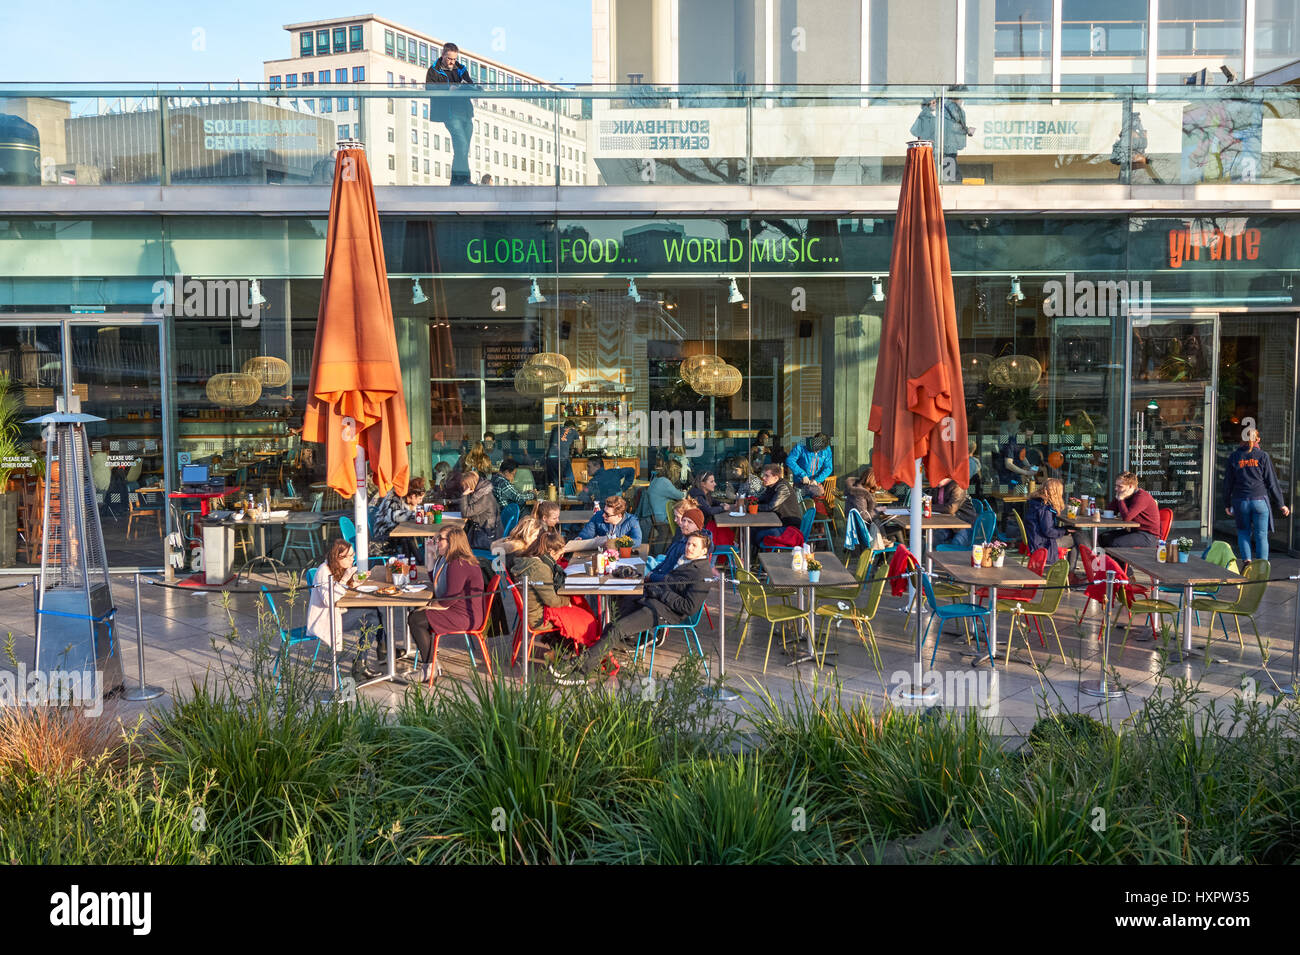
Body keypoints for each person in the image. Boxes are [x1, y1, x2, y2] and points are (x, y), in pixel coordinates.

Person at [555, 531, 713, 683]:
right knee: (613, 624)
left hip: (664, 611)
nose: (689, 547)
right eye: (688, 543)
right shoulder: (686, 560)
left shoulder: (702, 574)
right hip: (653, 599)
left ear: (704, 550)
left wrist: (660, 592)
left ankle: (582, 670)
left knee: (617, 629)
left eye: (694, 545)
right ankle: (605, 663)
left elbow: (689, 607)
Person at [406, 527, 486, 682]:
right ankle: (432, 663)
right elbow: (434, 577)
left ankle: (429, 668)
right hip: (457, 610)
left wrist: (428, 606)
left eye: (439, 539)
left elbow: (448, 600)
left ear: (452, 541)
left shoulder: (459, 563)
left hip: (465, 616)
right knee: (417, 616)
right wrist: (430, 554)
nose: (436, 542)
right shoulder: (448, 559)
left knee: (416, 619)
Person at [306, 538, 388, 680]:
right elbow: (328, 600)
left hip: (337, 612)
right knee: (373, 615)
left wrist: (355, 582)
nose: (352, 559)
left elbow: (341, 590)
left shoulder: (336, 568)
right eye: (349, 556)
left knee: (373, 616)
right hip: (326, 619)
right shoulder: (323, 571)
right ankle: (378, 651)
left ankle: (369, 657)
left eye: (353, 555)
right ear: (336, 557)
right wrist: (345, 579)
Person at [513, 531, 599, 654]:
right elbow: (552, 601)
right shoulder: (539, 568)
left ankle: (566, 646)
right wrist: (567, 602)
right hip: (538, 616)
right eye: (559, 555)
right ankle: (575, 651)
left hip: (531, 610)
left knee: (580, 606)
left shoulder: (530, 561)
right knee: (587, 619)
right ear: (551, 552)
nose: (559, 559)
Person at [1225, 429, 1290, 561]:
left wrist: (1227, 503)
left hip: (1240, 501)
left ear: (1242, 439)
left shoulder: (1234, 456)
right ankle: (1262, 566)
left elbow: (1227, 482)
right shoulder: (1263, 456)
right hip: (1260, 500)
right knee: (1261, 535)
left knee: (1243, 533)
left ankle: (1247, 563)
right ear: (1258, 440)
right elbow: (1272, 482)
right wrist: (1281, 504)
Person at [425, 42, 476, 186]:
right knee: (461, 145)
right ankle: (462, 180)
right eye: (449, 59)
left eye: (454, 59)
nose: (452, 62)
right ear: (443, 55)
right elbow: (429, 88)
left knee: (463, 148)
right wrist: (449, 89)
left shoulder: (461, 68)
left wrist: (467, 87)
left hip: (466, 112)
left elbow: (470, 85)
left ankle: (457, 181)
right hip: (449, 114)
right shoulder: (433, 70)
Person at [1099, 472, 1161, 549]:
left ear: (1131, 486)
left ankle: (1117, 561)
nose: (1116, 489)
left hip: (1148, 535)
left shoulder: (1142, 497)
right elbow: (1110, 511)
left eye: (1120, 486)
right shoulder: (1126, 495)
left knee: (1114, 543)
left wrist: (1121, 499)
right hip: (1134, 531)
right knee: (1103, 537)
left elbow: (1127, 518)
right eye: (1116, 486)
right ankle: (1109, 560)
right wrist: (1117, 499)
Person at [368, 478, 427, 558]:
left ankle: (413, 562)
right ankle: (415, 562)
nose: (420, 501)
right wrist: (415, 514)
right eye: (420, 498)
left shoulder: (404, 499)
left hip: (395, 533)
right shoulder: (394, 497)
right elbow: (396, 516)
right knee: (406, 538)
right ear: (413, 496)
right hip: (383, 535)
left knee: (407, 537)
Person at [648, 505, 707, 582]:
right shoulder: (682, 538)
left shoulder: (691, 548)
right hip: (660, 577)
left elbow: (674, 578)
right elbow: (666, 562)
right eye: (683, 520)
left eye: (690, 522)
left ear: (698, 527)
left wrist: (652, 576)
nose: (685, 524)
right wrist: (652, 572)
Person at [753, 463, 803, 551]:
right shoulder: (771, 486)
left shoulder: (782, 487)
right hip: (779, 522)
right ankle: (752, 557)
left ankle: (758, 558)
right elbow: (760, 499)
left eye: (766, 476)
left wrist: (752, 508)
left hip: (789, 527)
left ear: (776, 478)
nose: (763, 478)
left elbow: (771, 507)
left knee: (757, 533)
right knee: (752, 529)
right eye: (763, 475)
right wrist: (748, 502)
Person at [1025, 478, 1071, 558]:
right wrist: (1064, 531)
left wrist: (1064, 530)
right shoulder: (1045, 508)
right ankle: (1072, 568)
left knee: (1076, 536)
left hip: (1034, 539)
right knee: (1076, 540)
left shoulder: (1036, 502)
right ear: (1056, 492)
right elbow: (1049, 531)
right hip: (1042, 544)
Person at [643, 462, 685, 544]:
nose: (679, 475)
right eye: (679, 472)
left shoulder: (656, 479)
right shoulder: (664, 482)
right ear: (674, 472)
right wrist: (684, 493)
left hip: (654, 514)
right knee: (682, 522)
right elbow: (679, 495)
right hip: (662, 516)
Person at [577, 495, 641, 547]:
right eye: (604, 511)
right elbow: (586, 534)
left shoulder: (632, 520)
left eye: (607, 514)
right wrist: (581, 539)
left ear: (619, 515)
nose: (603, 515)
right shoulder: (598, 516)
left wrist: (616, 543)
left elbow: (637, 540)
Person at [930, 478, 978, 547]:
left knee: (956, 543)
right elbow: (931, 502)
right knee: (933, 539)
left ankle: (947, 557)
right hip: (948, 523)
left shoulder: (958, 486)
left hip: (964, 523)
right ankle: (929, 557)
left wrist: (929, 507)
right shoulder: (937, 488)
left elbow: (951, 509)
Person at [459, 469, 502, 545]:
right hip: (483, 529)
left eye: (465, 486)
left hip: (486, 536)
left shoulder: (485, 498)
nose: (463, 489)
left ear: (470, 485)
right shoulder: (481, 493)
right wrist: (451, 501)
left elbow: (466, 513)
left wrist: (464, 495)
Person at [787, 432, 834, 496]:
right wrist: (802, 475)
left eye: (819, 450)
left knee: (818, 502)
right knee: (801, 503)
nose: (816, 452)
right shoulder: (802, 444)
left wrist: (817, 480)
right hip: (800, 483)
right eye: (815, 448)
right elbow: (790, 460)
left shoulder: (826, 449)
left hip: (815, 484)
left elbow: (828, 468)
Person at [996, 420, 1038, 487]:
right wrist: (1027, 472)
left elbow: (1022, 456)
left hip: (1017, 478)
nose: (1029, 438)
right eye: (1027, 435)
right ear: (1020, 431)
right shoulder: (1010, 443)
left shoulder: (1022, 441)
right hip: (1008, 479)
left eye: (1031, 435)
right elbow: (1008, 464)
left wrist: (1030, 467)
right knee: (1013, 496)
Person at [545, 419, 582, 495]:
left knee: (553, 483)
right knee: (568, 482)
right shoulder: (574, 431)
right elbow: (579, 450)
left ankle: (554, 502)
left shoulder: (555, 430)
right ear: (573, 427)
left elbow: (554, 444)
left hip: (550, 457)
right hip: (562, 458)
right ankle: (568, 501)